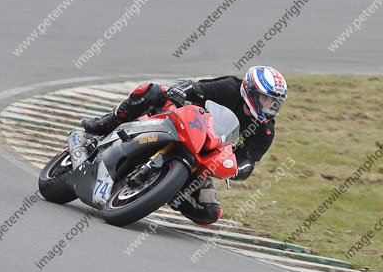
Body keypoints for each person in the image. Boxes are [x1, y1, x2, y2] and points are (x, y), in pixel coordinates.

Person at [81, 66, 287, 225]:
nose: (269, 106)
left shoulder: (265, 131)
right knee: (152, 91)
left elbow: (248, 160)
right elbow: (195, 87)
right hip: (181, 126)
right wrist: (179, 91)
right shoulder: (229, 88)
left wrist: (235, 168)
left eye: (274, 102)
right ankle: (105, 123)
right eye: (265, 98)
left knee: (210, 212)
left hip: (203, 160)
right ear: (250, 90)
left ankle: (170, 192)